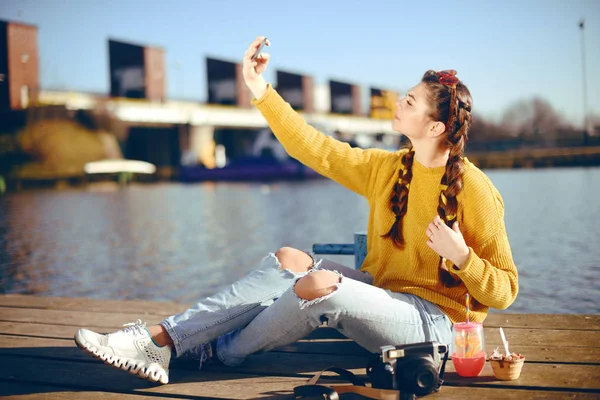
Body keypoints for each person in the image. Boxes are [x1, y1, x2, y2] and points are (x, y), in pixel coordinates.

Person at [74, 36, 518, 385]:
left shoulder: (474, 190)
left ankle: (215, 352)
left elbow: (504, 291)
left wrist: (461, 257)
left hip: (436, 325)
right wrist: (260, 90)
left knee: (319, 284)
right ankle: (164, 338)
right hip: (386, 294)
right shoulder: (389, 167)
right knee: (289, 259)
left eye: (409, 102)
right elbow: (316, 148)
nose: (398, 103)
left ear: (435, 127)